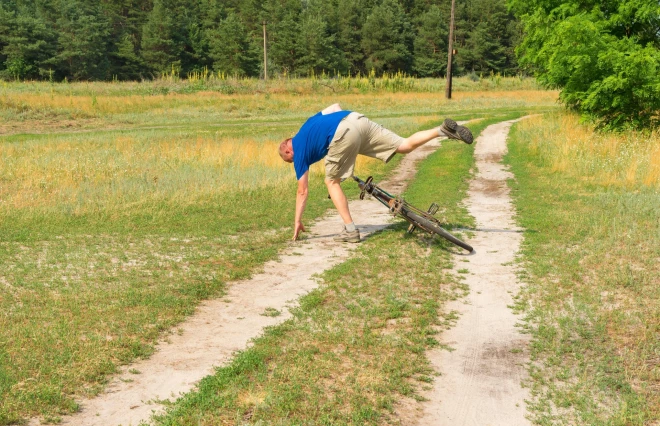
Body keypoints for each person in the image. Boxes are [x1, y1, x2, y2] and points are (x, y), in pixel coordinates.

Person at [278, 103, 473, 242]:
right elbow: (335, 107)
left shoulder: (299, 149)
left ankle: (350, 230)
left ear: (288, 150)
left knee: (332, 182)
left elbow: (302, 191)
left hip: (343, 132)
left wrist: (297, 221)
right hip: (356, 119)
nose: (294, 161)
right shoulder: (308, 125)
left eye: (290, 159)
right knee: (403, 145)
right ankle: (441, 131)